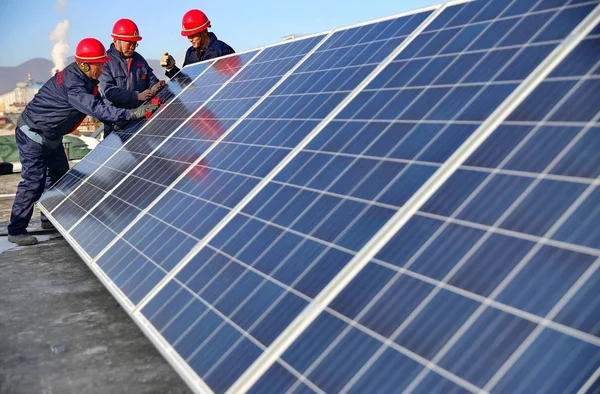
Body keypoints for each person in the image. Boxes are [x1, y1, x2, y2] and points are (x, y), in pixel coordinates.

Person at [7, 38, 159, 246]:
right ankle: (16, 230)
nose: (103, 67)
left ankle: (48, 219)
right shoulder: (75, 86)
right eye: (100, 64)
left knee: (59, 176)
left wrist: (116, 121)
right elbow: (95, 108)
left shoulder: (88, 79)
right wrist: (130, 114)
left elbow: (98, 106)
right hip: (33, 135)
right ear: (85, 64)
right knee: (34, 181)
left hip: (51, 136)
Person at [99, 18, 166, 137]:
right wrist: (136, 96)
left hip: (139, 122)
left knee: (140, 152)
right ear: (116, 40)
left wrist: (156, 87)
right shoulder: (106, 61)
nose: (133, 47)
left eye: (135, 43)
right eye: (129, 43)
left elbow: (151, 81)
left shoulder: (139, 60)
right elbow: (109, 91)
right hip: (116, 124)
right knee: (117, 155)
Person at [161, 9, 235, 78]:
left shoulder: (223, 51)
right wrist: (171, 68)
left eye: (193, 35)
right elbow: (186, 82)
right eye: (188, 36)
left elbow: (236, 80)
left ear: (204, 32)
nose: (190, 39)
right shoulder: (190, 53)